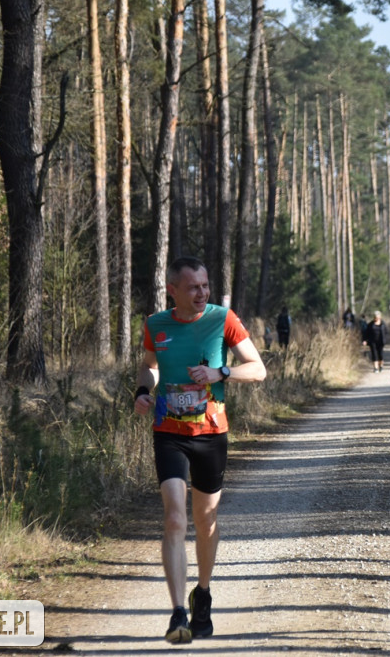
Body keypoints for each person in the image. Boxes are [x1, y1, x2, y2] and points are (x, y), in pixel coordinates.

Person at [134, 256, 267, 644]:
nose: (202, 293)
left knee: (205, 520)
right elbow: (150, 366)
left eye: (205, 285)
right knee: (175, 518)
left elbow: (257, 368)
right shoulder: (155, 325)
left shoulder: (222, 319)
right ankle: (178, 613)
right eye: (193, 287)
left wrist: (221, 373)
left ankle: (202, 593)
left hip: (211, 434)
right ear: (172, 290)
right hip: (168, 433)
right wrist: (144, 391)